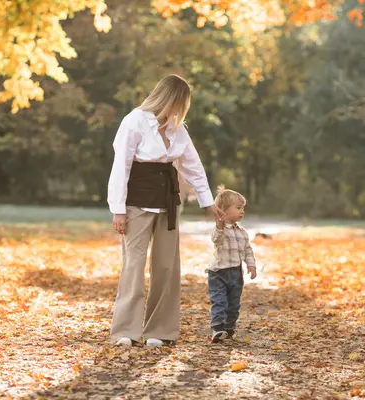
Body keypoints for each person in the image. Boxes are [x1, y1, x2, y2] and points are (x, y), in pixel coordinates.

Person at [107, 74, 223, 347]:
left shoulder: (177, 129)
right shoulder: (134, 121)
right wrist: (118, 210)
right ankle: (125, 330)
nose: (181, 109)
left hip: (168, 202)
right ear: (168, 98)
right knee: (133, 266)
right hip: (136, 202)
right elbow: (120, 166)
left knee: (166, 266)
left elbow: (192, 166)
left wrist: (208, 202)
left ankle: (160, 330)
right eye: (180, 102)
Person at [207, 186, 257, 343]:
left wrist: (251, 265)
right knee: (219, 301)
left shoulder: (242, 232)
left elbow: (247, 250)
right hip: (218, 273)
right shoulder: (219, 230)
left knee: (234, 303)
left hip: (236, 273)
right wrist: (219, 226)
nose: (242, 211)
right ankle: (217, 327)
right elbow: (216, 239)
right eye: (238, 208)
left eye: (243, 208)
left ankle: (229, 328)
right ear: (223, 210)